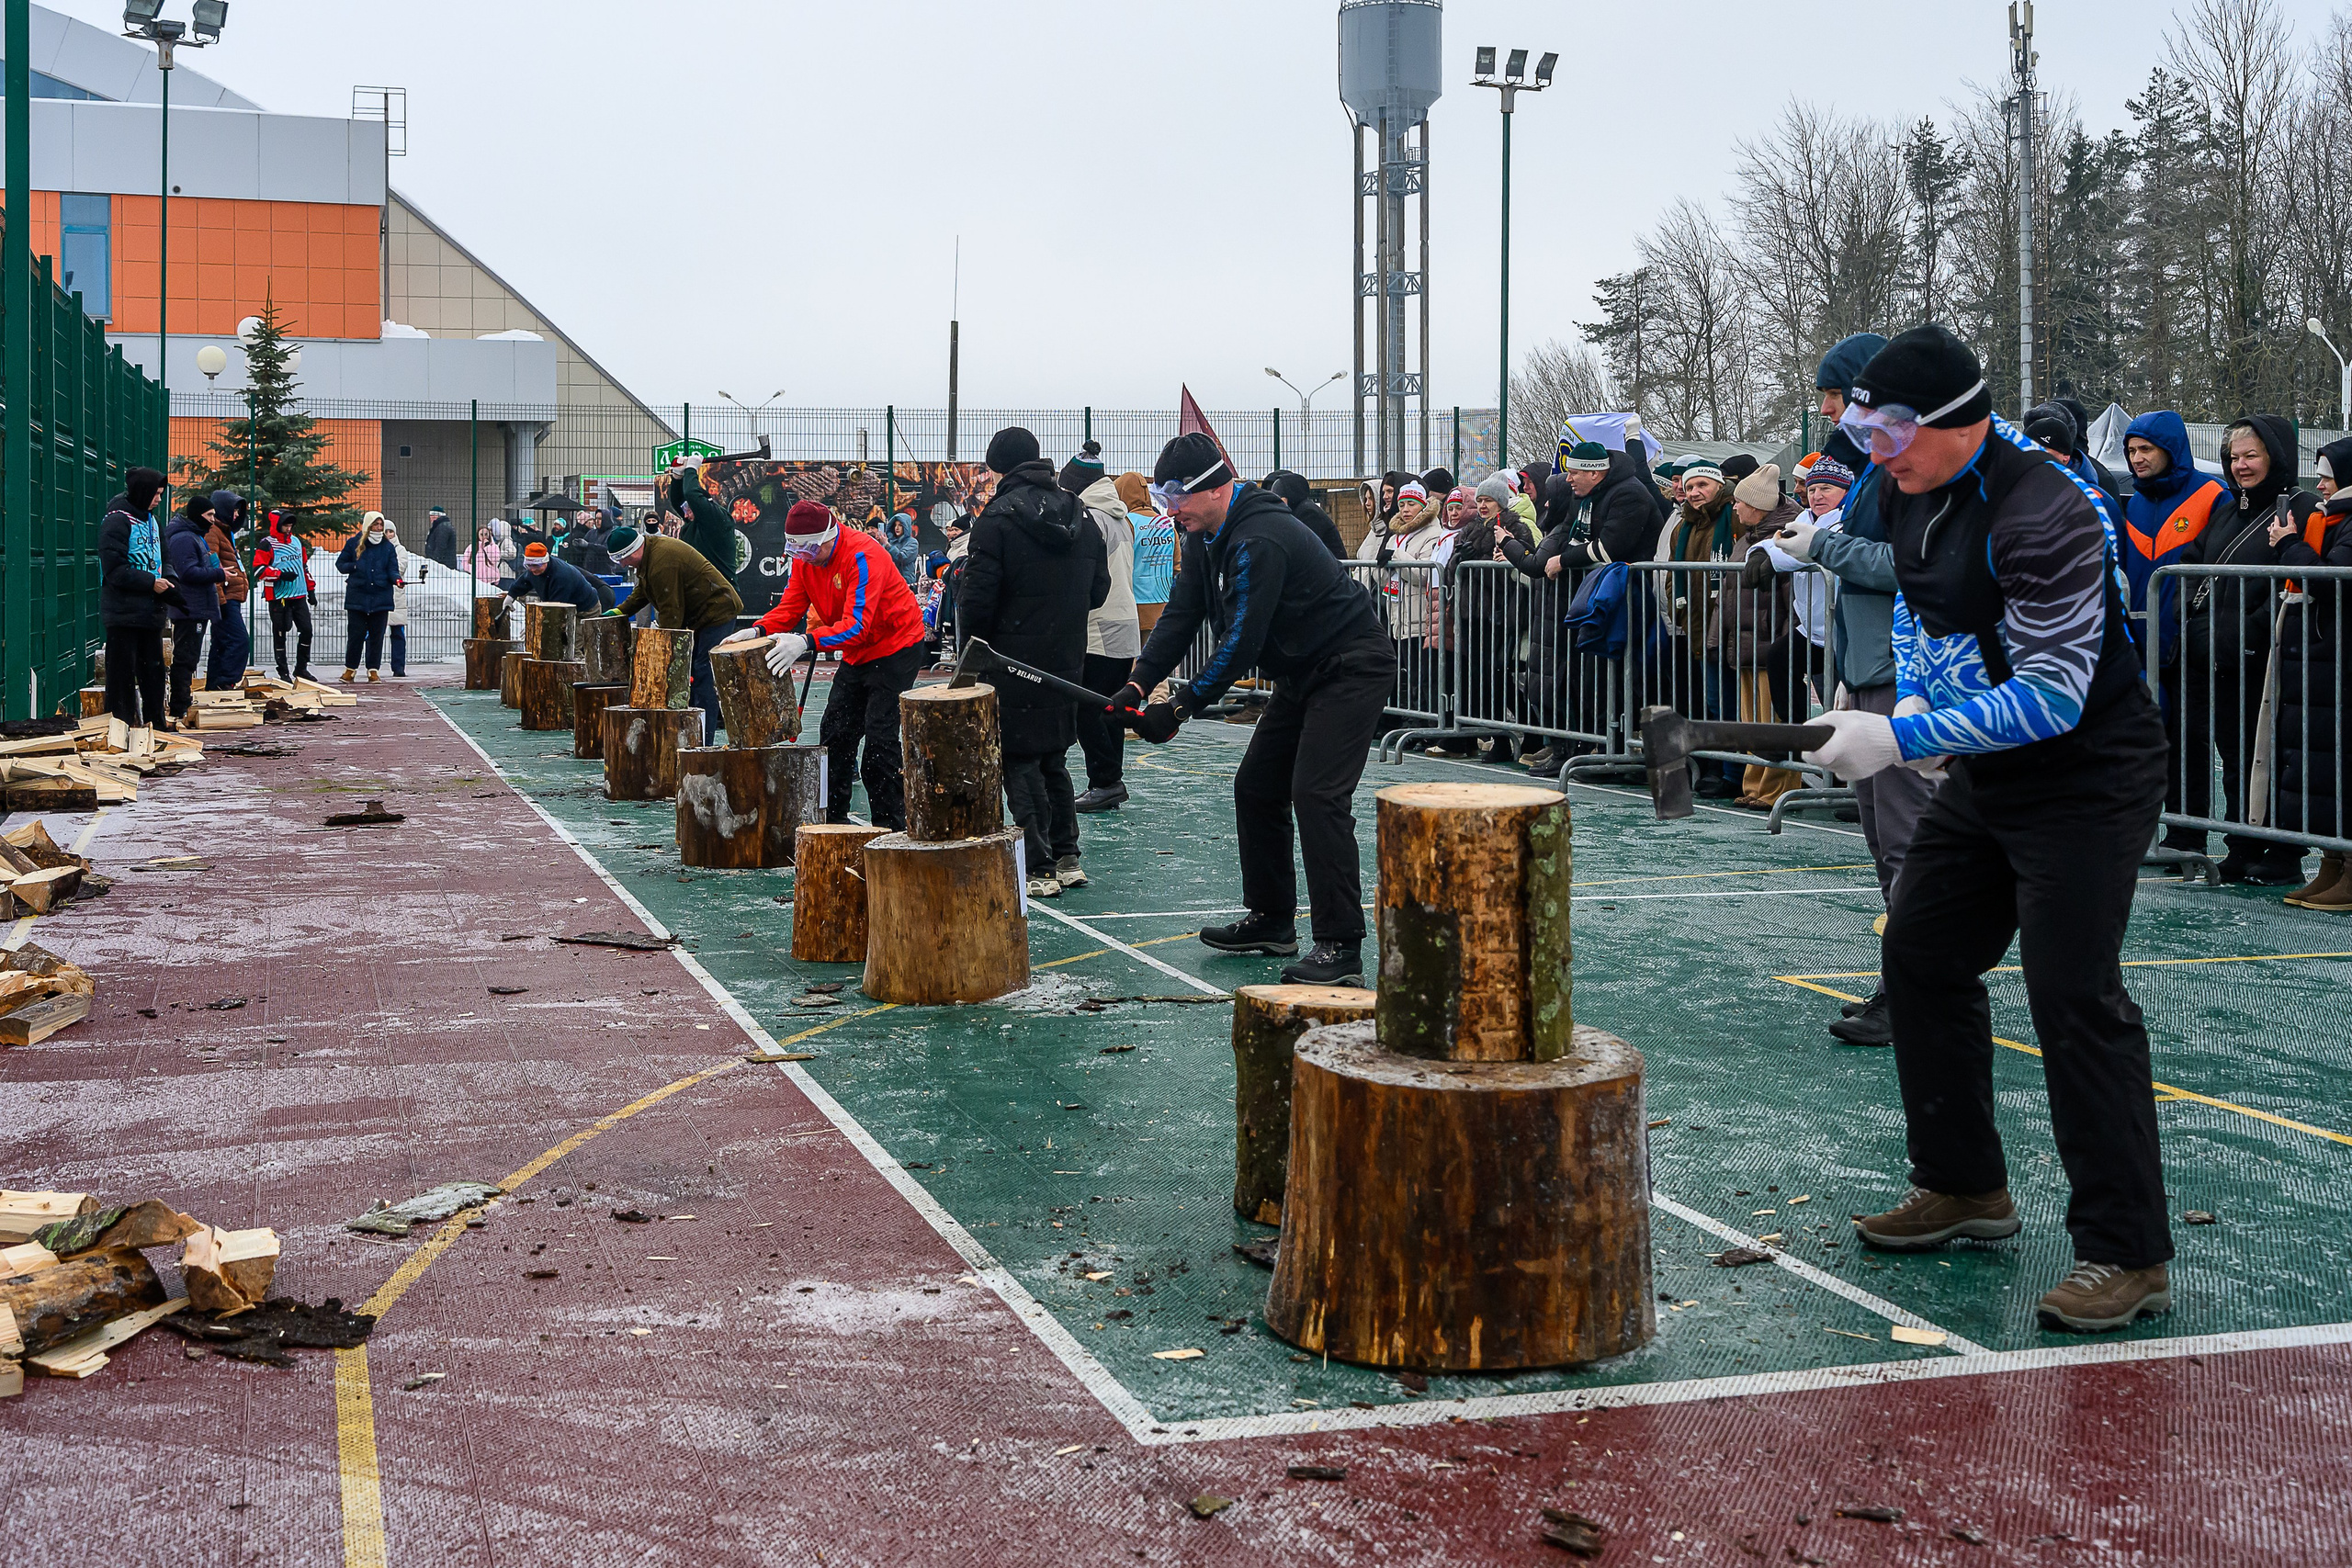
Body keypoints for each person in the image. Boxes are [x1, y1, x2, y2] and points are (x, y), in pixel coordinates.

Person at [1804, 325, 2174, 1333]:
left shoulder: (2048, 508)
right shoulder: (1914, 488)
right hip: (1988, 770)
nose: (1873, 452)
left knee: (2073, 994)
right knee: (1920, 953)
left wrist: (1905, 733)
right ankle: (1965, 1186)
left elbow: (2054, 693)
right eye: (1863, 432)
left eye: (1888, 433)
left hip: (2085, 773)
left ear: (1952, 420)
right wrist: (1900, 725)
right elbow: (1928, 621)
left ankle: (2125, 1250)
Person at [1110, 432, 1392, 985]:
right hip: (1302, 671)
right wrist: (1140, 684)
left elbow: (1241, 640)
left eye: (1177, 497)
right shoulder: (1203, 535)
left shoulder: (1259, 538)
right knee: (1258, 786)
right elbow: (1181, 613)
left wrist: (1183, 707)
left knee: (1316, 793)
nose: (1170, 509)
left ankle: (1341, 945)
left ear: (1215, 489)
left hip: (1351, 667)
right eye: (1163, 496)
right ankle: (1271, 919)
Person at [1768, 331, 1924, 1045]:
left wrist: (1824, 544)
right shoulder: (1869, 472)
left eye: (1837, 394)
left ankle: (1920, 985)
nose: (1829, 410)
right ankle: (1909, 977)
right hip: (1865, 674)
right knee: (1881, 837)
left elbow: (1910, 565)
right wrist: (1840, 679)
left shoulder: (1902, 471)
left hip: (1900, 678)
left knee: (1907, 841)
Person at [957, 428, 1110, 897]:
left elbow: (976, 601)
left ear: (998, 468)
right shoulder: (1079, 513)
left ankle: (1038, 865)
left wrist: (974, 651)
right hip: (1065, 655)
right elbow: (1099, 589)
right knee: (1054, 758)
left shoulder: (996, 519)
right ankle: (1067, 856)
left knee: (1019, 760)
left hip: (1008, 656)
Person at [726, 500, 926, 828]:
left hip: (896, 647)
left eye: (807, 549)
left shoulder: (864, 556)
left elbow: (857, 625)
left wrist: (805, 642)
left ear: (828, 538)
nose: (802, 556)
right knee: (834, 733)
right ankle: (833, 820)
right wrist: (759, 628)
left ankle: (892, 826)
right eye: (796, 549)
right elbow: (791, 606)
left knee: (880, 740)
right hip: (857, 653)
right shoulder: (806, 561)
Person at [2186, 415, 2318, 886]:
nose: (2240, 466)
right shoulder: (2226, 512)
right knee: (2237, 753)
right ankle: (2241, 843)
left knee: (2281, 757)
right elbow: (2195, 572)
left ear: (2275, 457)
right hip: (2223, 658)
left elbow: (2300, 579)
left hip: (2273, 657)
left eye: (2251, 456)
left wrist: (2253, 633)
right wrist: (2200, 632)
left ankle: (2285, 851)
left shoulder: (2301, 509)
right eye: (2234, 457)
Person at [2118, 412, 2231, 863]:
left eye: (2146, 449)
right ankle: (2147, 827)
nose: (2137, 459)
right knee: (2146, 739)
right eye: (2131, 451)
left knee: (2189, 741)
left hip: (2188, 643)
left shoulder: (2211, 495)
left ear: (2171, 449)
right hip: (2141, 643)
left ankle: (2187, 833)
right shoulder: (2134, 502)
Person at [2267, 436, 2352, 910]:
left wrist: (2291, 545)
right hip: (2324, 657)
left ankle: (2349, 868)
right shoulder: (2333, 518)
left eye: (2327, 476)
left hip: (2339, 657)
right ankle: (2333, 862)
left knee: (2341, 760)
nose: (2319, 485)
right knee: (2325, 765)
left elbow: (2330, 577)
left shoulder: (2345, 524)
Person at [605, 522, 745, 745]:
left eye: (622, 559)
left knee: (702, 674)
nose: (622, 564)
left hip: (717, 612)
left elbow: (671, 611)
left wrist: (667, 650)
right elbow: (643, 591)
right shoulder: (650, 554)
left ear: (632, 552)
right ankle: (700, 724)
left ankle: (704, 737)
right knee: (698, 672)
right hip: (702, 615)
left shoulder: (662, 563)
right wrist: (619, 611)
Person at [1070, 451, 1141, 814]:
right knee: (1110, 707)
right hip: (1125, 622)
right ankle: (1110, 779)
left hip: (1098, 625)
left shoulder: (1089, 519)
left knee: (1088, 709)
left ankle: (1105, 781)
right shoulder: (1120, 518)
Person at [1453, 472, 1539, 763]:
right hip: (1472, 617)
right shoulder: (1469, 530)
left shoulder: (1517, 528)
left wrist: (1484, 566)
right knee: (1482, 680)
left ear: (1501, 502)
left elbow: (1520, 572)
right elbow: (1453, 574)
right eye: (1479, 500)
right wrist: (1459, 560)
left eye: (1488, 500)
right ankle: (1500, 737)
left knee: (1500, 678)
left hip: (1501, 616)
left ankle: (1529, 732)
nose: (1483, 505)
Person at [97, 468, 175, 727]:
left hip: (150, 613)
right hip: (124, 614)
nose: (159, 499)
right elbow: (114, 570)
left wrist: (171, 583)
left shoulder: (153, 520)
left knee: (153, 673)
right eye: (156, 494)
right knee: (121, 677)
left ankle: (156, 726)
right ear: (142, 493)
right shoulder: (117, 520)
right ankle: (120, 728)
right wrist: (151, 582)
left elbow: (165, 558)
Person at [163, 491, 226, 721]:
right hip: (190, 607)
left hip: (196, 606)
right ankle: (180, 706)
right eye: (209, 514)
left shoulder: (194, 536)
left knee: (190, 656)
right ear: (198, 514)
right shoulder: (184, 539)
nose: (212, 519)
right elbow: (187, 572)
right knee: (186, 657)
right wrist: (218, 573)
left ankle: (183, 701)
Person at [336, 512, 401, 683]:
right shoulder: (353, 543)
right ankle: (350, 668)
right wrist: (355, 566)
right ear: (368, 526)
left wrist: (397, 579)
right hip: (357, 597)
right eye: (376, 525)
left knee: (376, 636)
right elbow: (340, 565)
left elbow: (392, 569)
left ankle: (373, 670)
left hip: (381, 597)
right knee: (356, 635)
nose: (379, 528)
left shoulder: (387, 547)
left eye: (381, 525)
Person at [255, 510, 316, 682]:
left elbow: (303, 566)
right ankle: (283, 671)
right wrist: (279, 574)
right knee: (281, 631)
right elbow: (258, 570)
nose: (288, 529)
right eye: (285, 525)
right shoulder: (267, 544)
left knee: (307, 630)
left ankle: (301, 668)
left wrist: (310, 589)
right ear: (276, 525)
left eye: (290, 525)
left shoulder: (297, 542)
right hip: (278, 596)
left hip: (299, 596)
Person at [204, 491, 253, 691]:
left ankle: (214, 685)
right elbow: (212, 565)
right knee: (239, 641)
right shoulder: (214, 532)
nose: (236, 516)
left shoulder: (224, 532)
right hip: (224, 598)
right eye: (233, 511)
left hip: (229, 597)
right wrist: (219, 599)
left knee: (221, 643)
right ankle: (226, 682)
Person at [1122, 471, 1175, 636]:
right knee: (1162, 656)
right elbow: (1178, 565)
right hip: (1164, 604)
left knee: (1133, 659)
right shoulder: (1166, 524)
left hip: (1134, 605)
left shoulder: (1127, 523)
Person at [663, 461, 739, 579]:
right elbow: (678, 501)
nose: (686, 516)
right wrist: (677, 477)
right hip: (700, 586)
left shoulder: (716, 518)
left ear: (699, 506)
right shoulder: (696, 522)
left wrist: (692, 467)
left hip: (720, 589)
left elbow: (691, 493)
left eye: (688, 510)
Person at [500, 540, 609, 619]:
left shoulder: (561, 576)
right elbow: (523, 582)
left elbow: (556, 608)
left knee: (573, 646)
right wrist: (510, 596)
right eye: (529, 566)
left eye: (536, 566)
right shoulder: (534, 571)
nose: (532, 570)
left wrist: (537, 625)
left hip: (586, 609)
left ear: (545, 561)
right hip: (566, 606)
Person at [1264, 469, 1347, 557]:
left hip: (1329, 568)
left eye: (1280, 498)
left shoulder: (1308, 513)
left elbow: (1300, 547)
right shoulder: (1302, 510)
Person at [381, 518, 416, 679]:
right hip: (380, 595)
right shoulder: (376, 547)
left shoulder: (400, 549)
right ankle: (372, 666)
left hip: (397, 598)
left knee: (398, 634)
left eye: (391, 531)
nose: (388, 535)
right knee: (374, 633)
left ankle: (399, 666)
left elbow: (400, 568)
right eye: (386, 531)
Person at [882, 511, 922, 587]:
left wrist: (887, 545)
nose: (896, 528)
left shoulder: (912, 542)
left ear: (906, 526)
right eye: (895, 525)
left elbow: (902, 558)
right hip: (889, 581)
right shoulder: (889, 541)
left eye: (900, 525)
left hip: (905, 582)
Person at [424, 505, 459, 570]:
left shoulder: (442, 527)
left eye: (433, 516)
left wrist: (435, 560)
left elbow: (441, 546)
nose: (431, 518)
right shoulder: (441, 526)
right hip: (445, 563)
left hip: (443, 564)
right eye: (431, 516)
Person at [470, 523, 504, 590]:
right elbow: (466, 561)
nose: (484, 537)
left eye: (486, 534)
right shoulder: (472, 547)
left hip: (491, 579)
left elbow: (494, 559)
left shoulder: (494, 547)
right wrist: (473, 570)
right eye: (481, 534)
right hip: (477, 578)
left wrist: (487, 547)